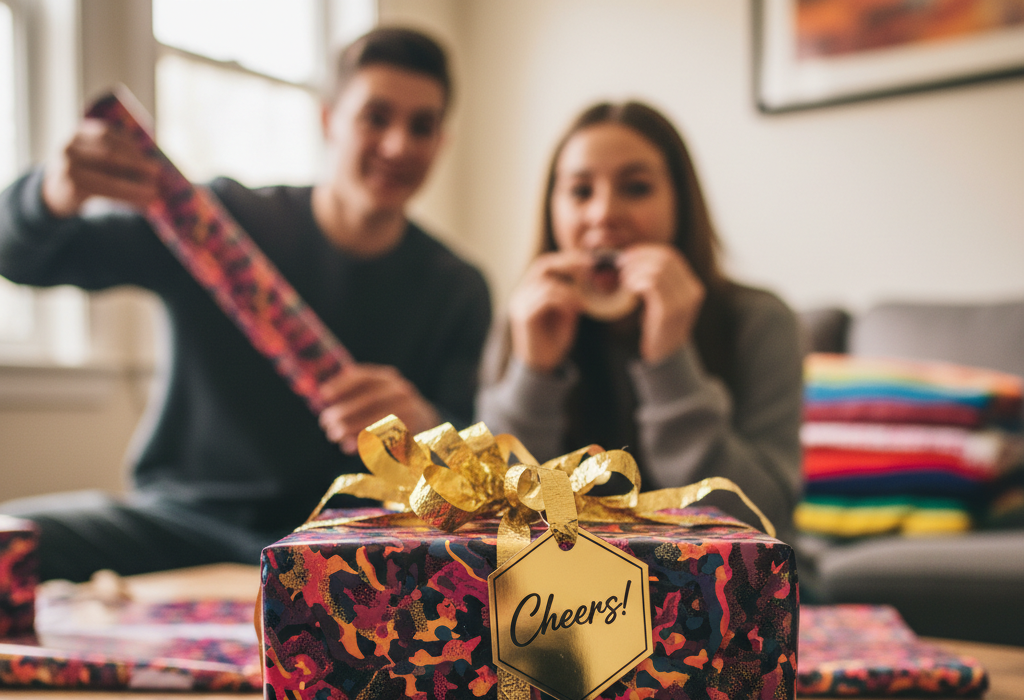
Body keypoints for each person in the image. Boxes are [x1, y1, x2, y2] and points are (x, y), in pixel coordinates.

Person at [0, 27, 490, 581]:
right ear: (329, 119)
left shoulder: (459, 289)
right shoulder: (216, 224)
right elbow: (19, 258)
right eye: (375, 117)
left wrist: (426, 423)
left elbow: (469, 463)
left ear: (441, 142)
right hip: (179, 520)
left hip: (339, 545)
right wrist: (51, 192)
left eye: (421, 126)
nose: (398, 145)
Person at [475, 101, 801, 535]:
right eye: (580, 192)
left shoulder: (759, 321)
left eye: (636, 188)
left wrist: (670, 364)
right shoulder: (523, 321)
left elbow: (764, 520)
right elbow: (490, 517)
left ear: (680, 203)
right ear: (553, 210)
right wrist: (532, 375)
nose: (604, 214)